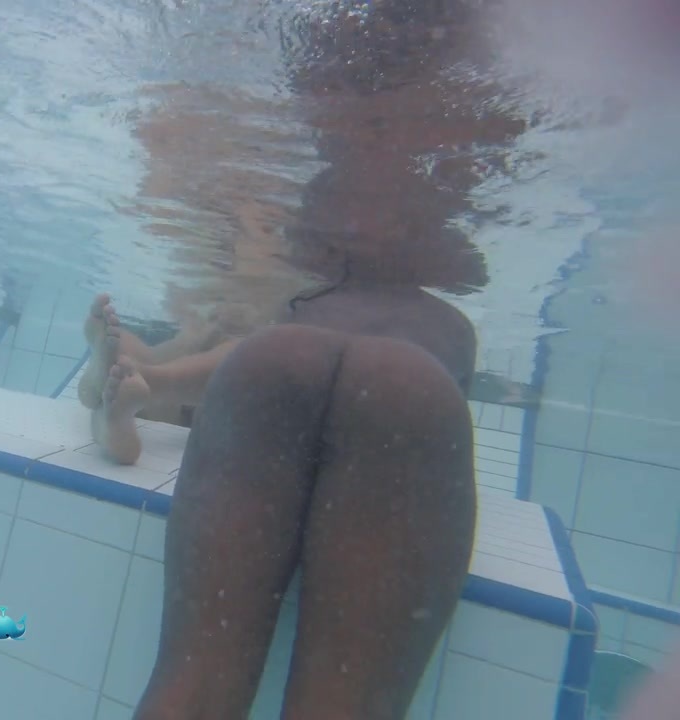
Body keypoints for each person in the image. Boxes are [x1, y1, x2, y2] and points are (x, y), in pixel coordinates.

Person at [75, 1, 534, 718]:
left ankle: (136, 386)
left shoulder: (320, 79)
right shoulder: (446, 316)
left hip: (271, 359)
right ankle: (138, 386)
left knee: (192, 684)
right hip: (412, 375)